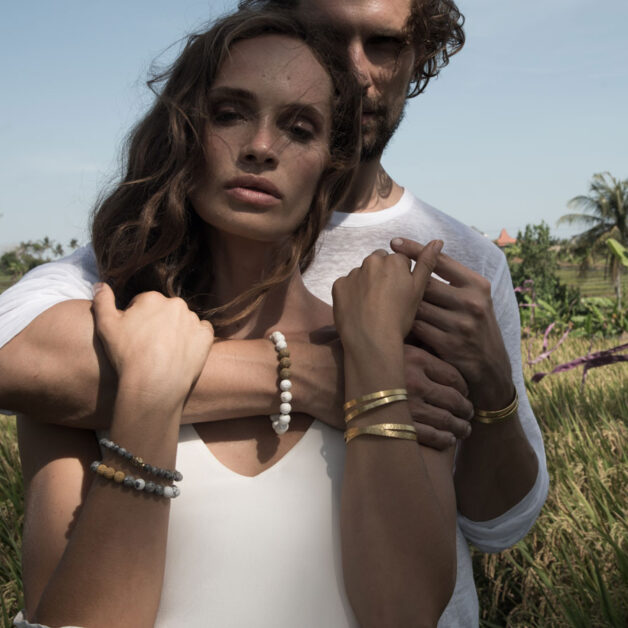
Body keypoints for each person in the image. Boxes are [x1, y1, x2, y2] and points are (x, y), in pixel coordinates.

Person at [0, 1, 549, 626]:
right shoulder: (104, 323)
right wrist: (158, 390)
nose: (261, 147)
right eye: (230, 114)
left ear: (330, 166)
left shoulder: (419, 319)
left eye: (300, 128)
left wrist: (392, 362)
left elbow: (425, 593)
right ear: (181, 135)